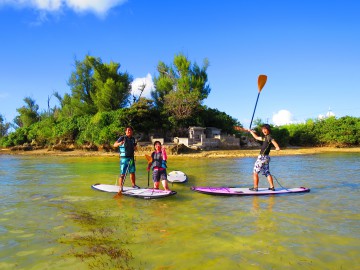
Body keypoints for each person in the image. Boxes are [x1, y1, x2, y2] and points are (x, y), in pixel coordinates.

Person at [245, 124, 280, 191]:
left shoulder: (269, 137)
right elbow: (256, 137)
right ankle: (272, 187)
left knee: (255, 172)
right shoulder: (265, 137)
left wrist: (277, 147)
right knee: (267, 173)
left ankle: (255, 188)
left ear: (268, 130)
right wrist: (251, 131)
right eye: (263, 129)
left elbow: (274, 142)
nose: (263, 130)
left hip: (262, 157)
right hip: (266, 158)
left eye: (265, 129)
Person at [113, 126, 140, 194]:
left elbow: (134, 148)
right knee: (123, 174)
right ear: (125, 131)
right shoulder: (122, 138)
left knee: (132, 172)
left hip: (131, 158)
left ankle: (133, 185)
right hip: (124, 159)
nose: (129, 131)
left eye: (130, 130)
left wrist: (135, 147)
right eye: (128, 130)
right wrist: (119, 143)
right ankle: (120, 187)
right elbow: (114, 145)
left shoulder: (133, 139)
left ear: (132, 131)